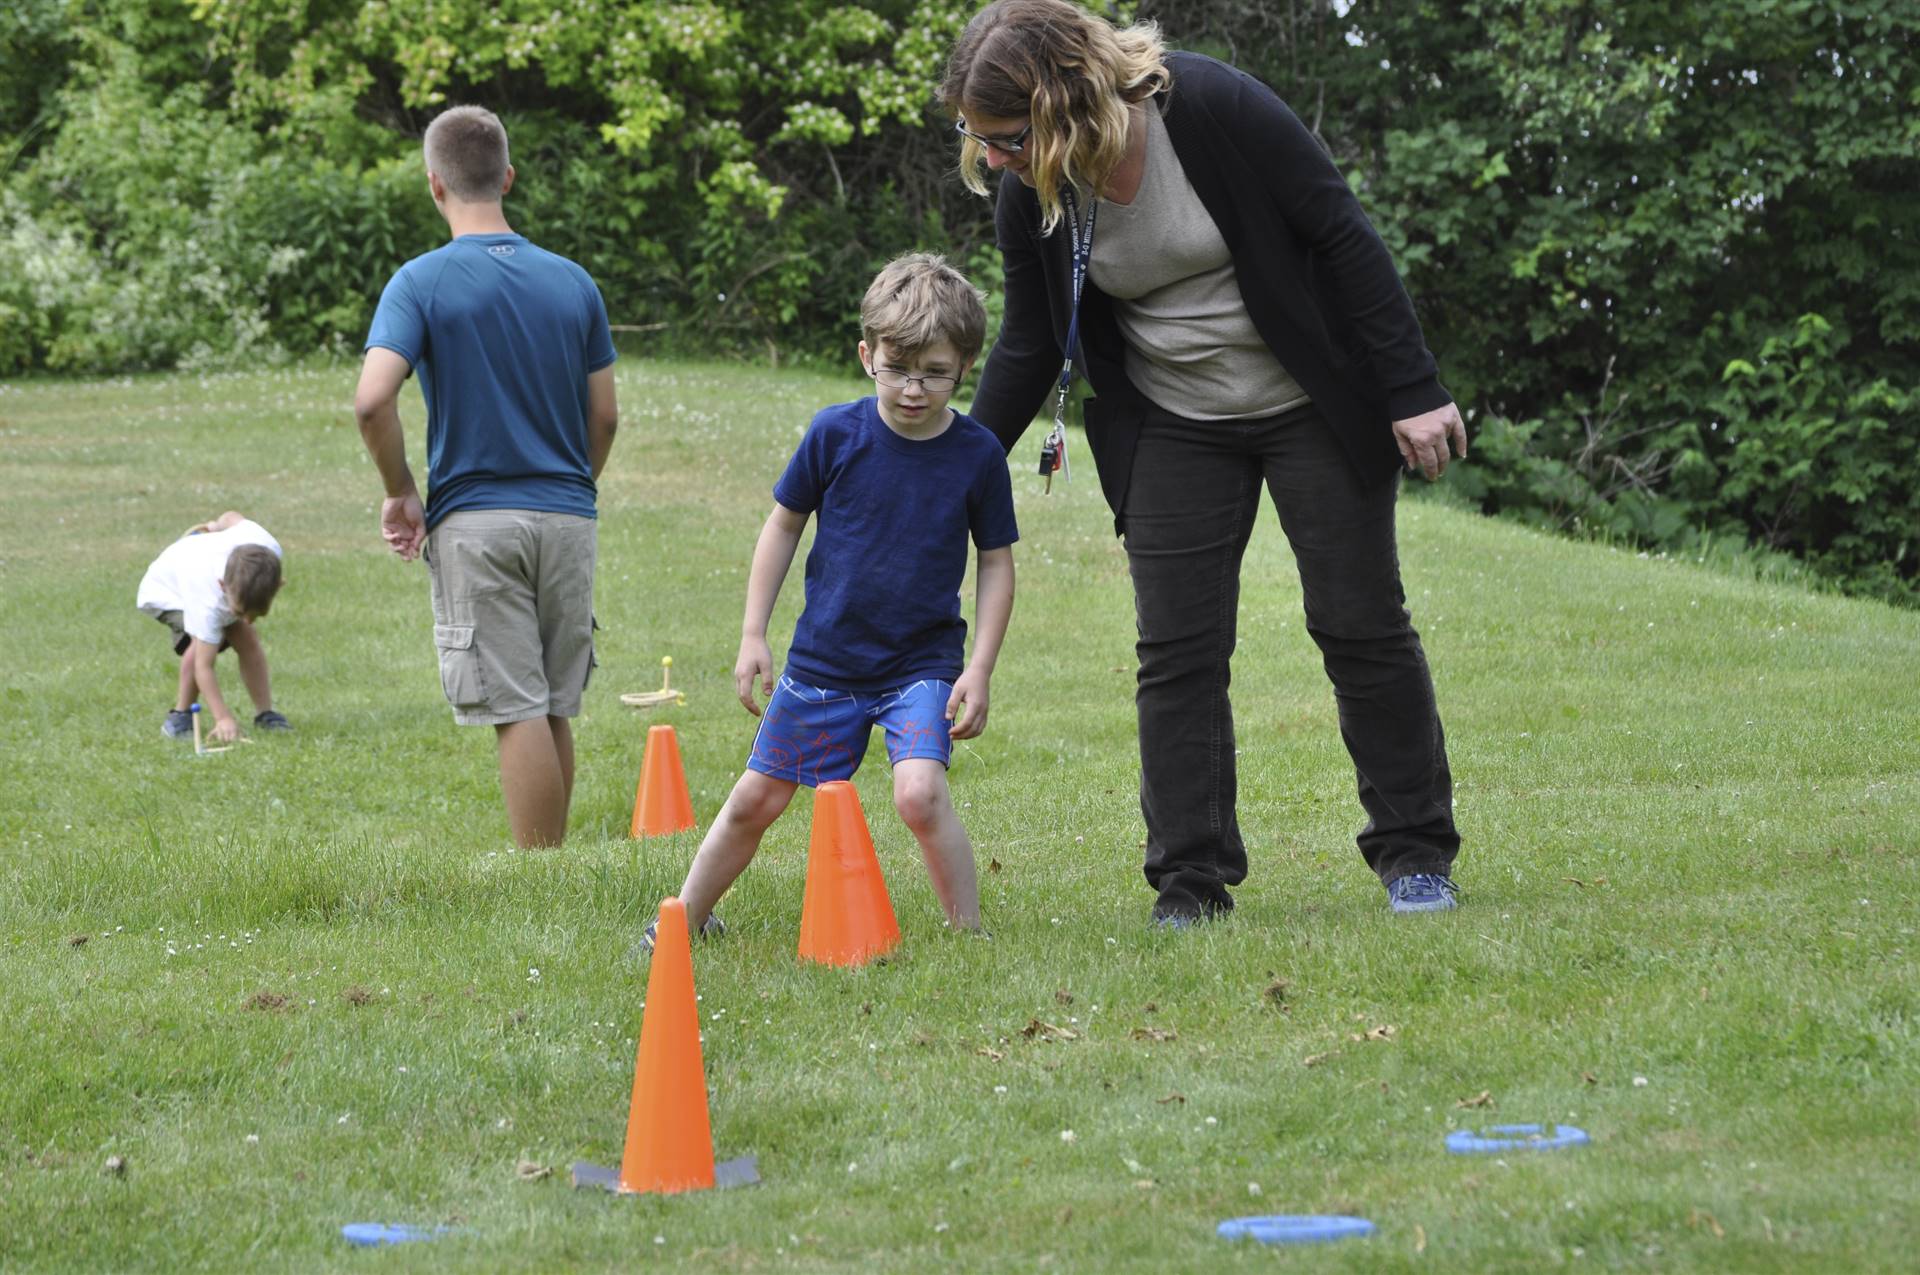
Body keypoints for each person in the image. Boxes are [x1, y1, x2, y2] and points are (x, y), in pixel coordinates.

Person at [941, 0, 1467, 922]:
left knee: (1360, 625)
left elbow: (1342, 235)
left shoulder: (1214, 107)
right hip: (1173, 419)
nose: (994, 159)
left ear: (1069, 103)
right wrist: (955, 469)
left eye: (1007, 137)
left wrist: (1414, 388)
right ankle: (1191, 881)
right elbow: (1031, 341)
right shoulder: (1035, 190)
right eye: (977, 138)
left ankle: (1415, 854)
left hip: (1311, 403)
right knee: (1176, 653)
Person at [638, 253, 1017, 952]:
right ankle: (685, 916)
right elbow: (782, 525)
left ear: (964, 365)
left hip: (921, 662)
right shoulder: (834, 435)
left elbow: (997, 563)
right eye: (897, 367)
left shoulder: (978, 454)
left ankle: (971, 937)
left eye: (934, 372)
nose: (912, 388)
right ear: (866, 353)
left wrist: (981, 667)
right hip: (827, 659)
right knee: (758, 798)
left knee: (920, 795)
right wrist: (753, 633)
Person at [353, 104, 619, 850]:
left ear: (434, 184)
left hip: (477, 518)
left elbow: (374, 399)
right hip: (569, 515)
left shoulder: (420, 282)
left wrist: (400, 489)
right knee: (554, 700)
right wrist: (576, 485)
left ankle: (537, 872)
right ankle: (556, 863)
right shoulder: (573, 283)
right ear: (506, 176)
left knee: (516, 702)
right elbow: (605, 419)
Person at [136, 511, 290, 742]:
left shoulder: (265, 545)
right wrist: (223, 717)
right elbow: (204, 666)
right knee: (201, 646)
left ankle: (266, 714)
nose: (248, 620)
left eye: (256, 614)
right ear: (223, 586)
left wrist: (218, 525)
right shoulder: (207, 602)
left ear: (278, 586)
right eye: (241, 612)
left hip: (203, 572)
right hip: (166, 591)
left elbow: (232, 517)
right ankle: (180, 717)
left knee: (247, 637)